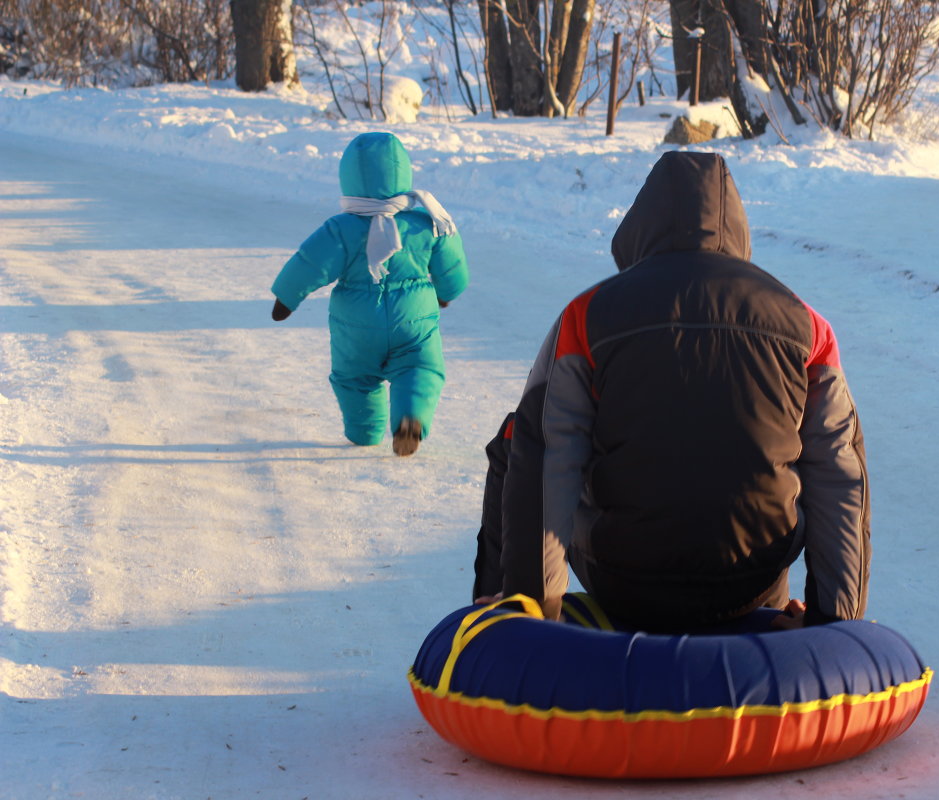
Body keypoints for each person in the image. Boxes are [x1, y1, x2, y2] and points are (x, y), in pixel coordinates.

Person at [473, 151, 870, 633]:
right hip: (752, 581)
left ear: (642, 227)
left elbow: (549, 457)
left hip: (626, 578)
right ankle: (766, 636)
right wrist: (835, 621)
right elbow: (838, 476)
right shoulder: (808, 325)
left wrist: (537, 614)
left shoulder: (587, 315)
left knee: (517, 437)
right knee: (808, 461)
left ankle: (503, 615)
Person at [270, 132, 468, 456]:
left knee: (354, 379)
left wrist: (286, 299)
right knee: (420, 369)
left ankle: (364, 430)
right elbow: (452, 262)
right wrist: (447, 292)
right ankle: (410, 418)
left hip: (355, 327)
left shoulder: (340, 228)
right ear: (403, 171)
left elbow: (310, 263)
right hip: (413, 322)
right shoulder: (425, 222)